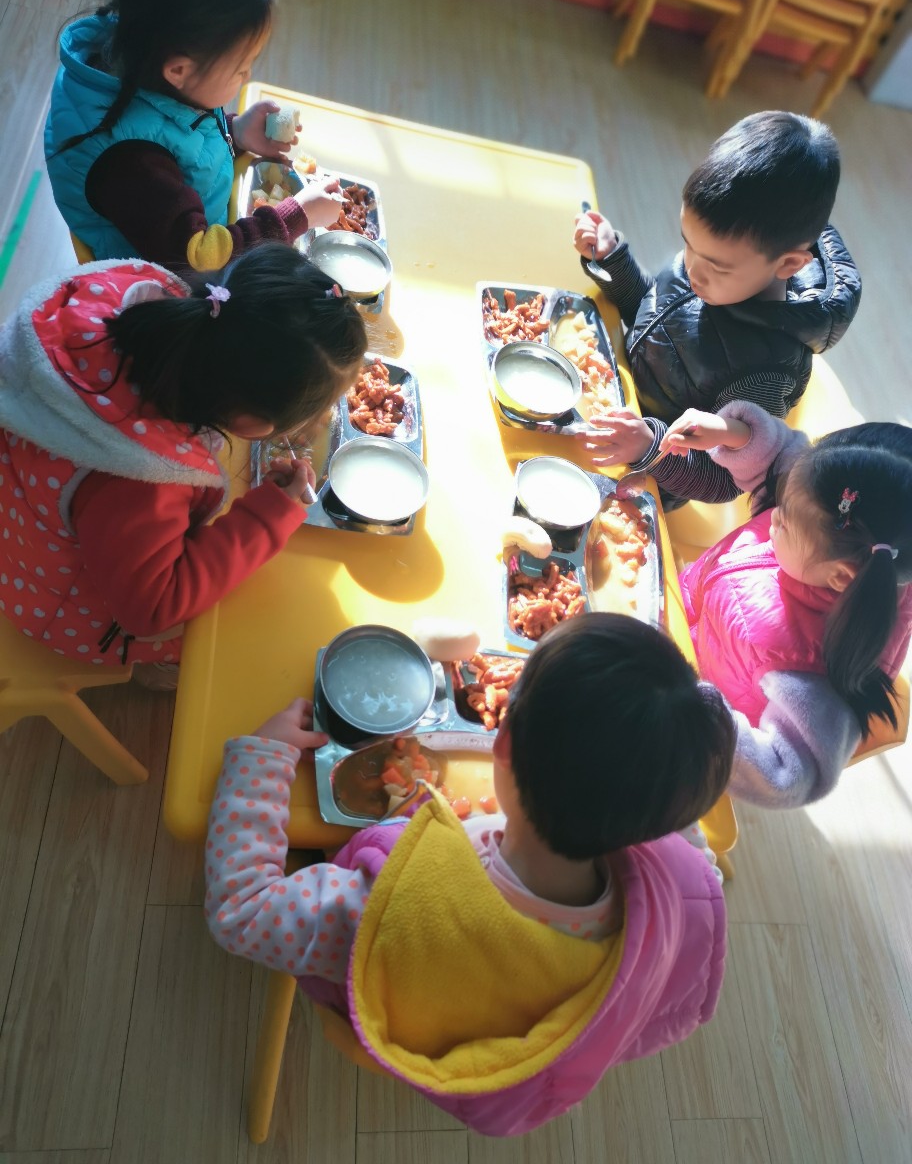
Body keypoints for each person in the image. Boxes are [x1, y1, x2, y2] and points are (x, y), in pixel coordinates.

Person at [205, 613, 735, 1136]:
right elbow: (697, 862)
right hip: (523, 1049)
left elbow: (242, 909)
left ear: (503, 743)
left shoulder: (377, 906)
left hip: (385, 986)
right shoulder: (676, 897)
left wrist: (263, 757)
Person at [0, 242, 366, 678]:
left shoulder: (176, 318)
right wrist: (267, 517)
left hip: (33, 528)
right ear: (250, 424)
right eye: (315, 411)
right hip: (60, 606)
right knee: (247, 632)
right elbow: (153, 608)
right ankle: (158, 672)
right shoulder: (138, 480)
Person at [572, 110, 862, 504]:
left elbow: (724, 481)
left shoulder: (764, 373)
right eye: (688, 244)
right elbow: (652, 316)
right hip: (607, 394)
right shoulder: (718, 271)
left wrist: (648, 445)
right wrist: (613, 260)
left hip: (642, 476)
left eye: (715, 266)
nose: (693, 269)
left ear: (789, 265)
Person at [658, 400, 912, 807]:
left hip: (681, 717)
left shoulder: (812, 674)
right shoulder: (830, 510)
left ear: (840, 576)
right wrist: (734, 434)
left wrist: (689, 701)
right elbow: (786, 457)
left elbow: (785, 775)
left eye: (784, 520)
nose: (773, 517)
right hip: (675, 617)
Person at [44, 0, 342, 274]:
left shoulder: (148, 57)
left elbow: (178, 142)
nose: (247, 77)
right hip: (161, 277)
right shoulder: (132, 166)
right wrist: (295, 216)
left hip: (180, 230)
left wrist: (236, 131)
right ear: (179, 70)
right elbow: (195, 261)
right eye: (240, 68)